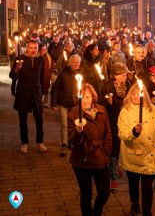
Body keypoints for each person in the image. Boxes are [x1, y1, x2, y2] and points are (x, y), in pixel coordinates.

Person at [118, 83, 155, 216]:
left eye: (138, 94)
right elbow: (122, 133)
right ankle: (134, 203)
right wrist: (134, 132)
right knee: (133, 183)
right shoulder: (125, 111)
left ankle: (147, 212)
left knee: (147, 187)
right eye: (132, 94)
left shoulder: (153, 109)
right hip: (133, 155)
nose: (134, 97)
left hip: (149, 155)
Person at [68, 83, 112, 216]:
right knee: (86, 194)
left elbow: (108, 132)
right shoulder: (74, 113)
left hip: (101, 158)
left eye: (88, 97)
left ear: (92, 97)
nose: (85, 101)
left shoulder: (102, 110)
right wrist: (78, 131)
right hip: (82, 161)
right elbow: (72, 140)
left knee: (104, 193)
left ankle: (97, 211)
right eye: (83, 97)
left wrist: (107, 150)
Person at [9, 40, 47, 154]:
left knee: (39, 119)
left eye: (35, 48)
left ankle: (40, 141)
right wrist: (17, 69)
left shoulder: (40, 59)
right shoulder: (19, 59)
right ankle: (24, 143)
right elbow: (12, 75)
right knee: (23, 120)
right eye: (31, 48)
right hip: (23, 93)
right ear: (27, 48)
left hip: (36, 94)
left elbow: (41, 77)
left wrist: (42, 90)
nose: (33, 50)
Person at [103, 62, 131, 190]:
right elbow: (101, 102)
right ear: (114, 75)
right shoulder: (107, 85)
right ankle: (113, 175)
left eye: (125, 74)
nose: (124, 77)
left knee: (121, 144)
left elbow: (129, 99)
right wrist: (108, 102)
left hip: (125, 119)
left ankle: (115, 167)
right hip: (112, 119)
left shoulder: (129, 84)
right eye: (121, 75)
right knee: (114, 144)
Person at [51, 54, 82, 156]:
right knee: (64, 124)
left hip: (74, 103)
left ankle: (70, 141)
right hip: (63, 102)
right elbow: (55, 88)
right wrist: (53, 103)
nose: (77, 64)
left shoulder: (80, 75)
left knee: (72, 124)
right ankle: (64, 144)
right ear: (70, 63)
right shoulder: (63, 73)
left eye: (78, 63)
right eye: (75, 62)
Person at [38, 43, 54, 108]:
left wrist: (50, 73)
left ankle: (45, 103)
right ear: (39, 50)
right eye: (42, 49)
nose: (43, 51)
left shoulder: (48, 56)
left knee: (46, 90)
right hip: (38, 77)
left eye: (44, 49)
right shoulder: (36, 56)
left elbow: (52, 65)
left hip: (46, 77)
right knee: (39, 90)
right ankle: (39, 102)